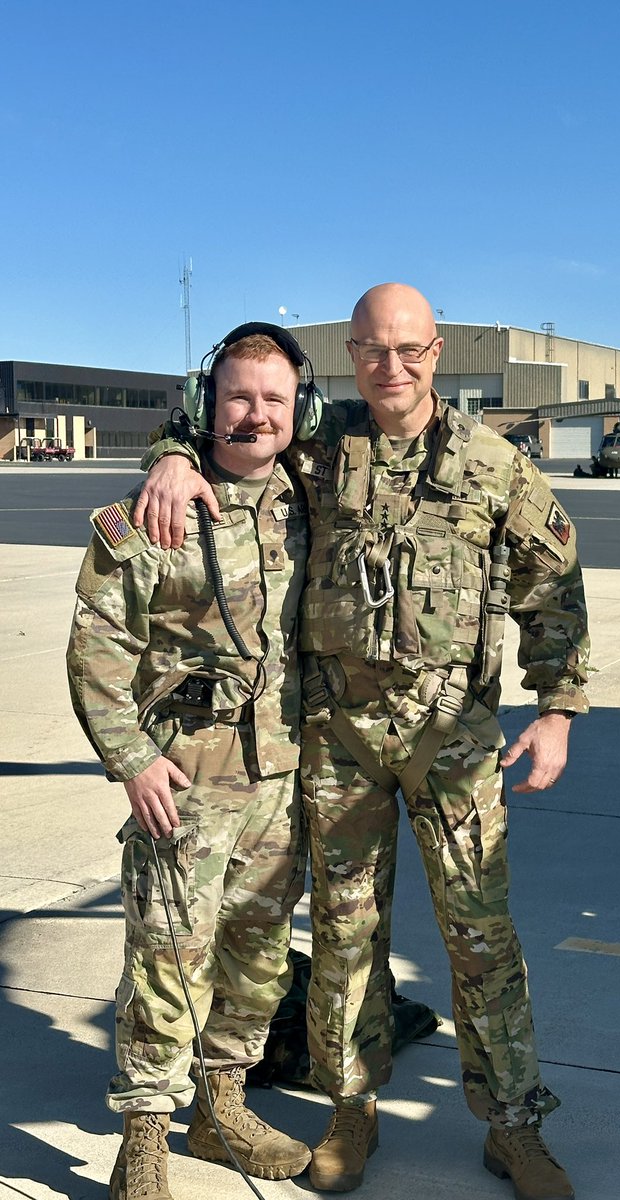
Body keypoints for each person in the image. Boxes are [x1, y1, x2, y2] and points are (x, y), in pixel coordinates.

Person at [135, 283, 590, 1200]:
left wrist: (558, 710)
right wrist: (171, 455)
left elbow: (555, 580)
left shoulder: (493, 462)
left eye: (410, 349)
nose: (393, 366)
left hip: (453, 740)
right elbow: (234, 432)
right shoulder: (319, 440)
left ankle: (513, 1125)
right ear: (352, 356)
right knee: (347, 935)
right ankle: (353, 1106)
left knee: (480, 937)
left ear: (436, 353)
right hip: (338, 741)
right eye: (374, 350)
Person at [67, 326, 314, 1198]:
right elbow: (97, 644)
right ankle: (145, 1133)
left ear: (300, 411)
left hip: (281, 774)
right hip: (185, 773)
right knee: (167, 957)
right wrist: (131, 758)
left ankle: (221, 1107)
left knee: (257, 958)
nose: (256, 414)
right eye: (239, 396)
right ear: (209, 404)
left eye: (274, 399)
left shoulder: (312, 499)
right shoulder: (153, 511)